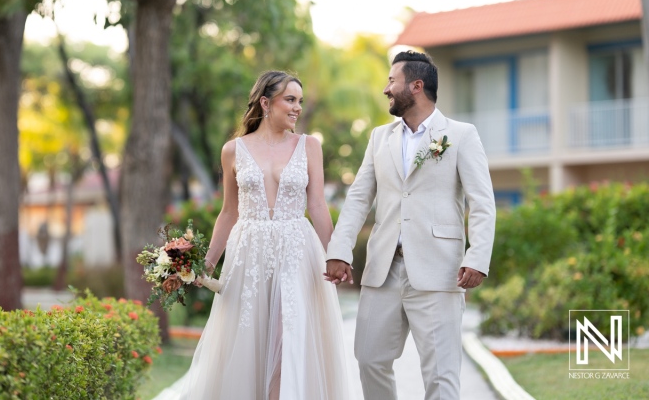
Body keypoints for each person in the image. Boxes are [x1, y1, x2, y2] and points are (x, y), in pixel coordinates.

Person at [324, 50, 496, 400]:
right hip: (383, 269)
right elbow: (358, 198)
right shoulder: (378, 138)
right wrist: (340, 250)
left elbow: (481, 202)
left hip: (440, 269)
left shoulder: (461, 135)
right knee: (370, 360)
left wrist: (477, 257)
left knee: (440, 374)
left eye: (392, 81)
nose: (386, 88)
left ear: (416, 86)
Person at [180, 71, 350, 400]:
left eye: (299, 101)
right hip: (249, 256)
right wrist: (207, 264)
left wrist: (336, 255)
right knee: (249, 343)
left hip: (297, 254)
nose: (297, 108)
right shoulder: (233, 150)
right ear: (265, 103)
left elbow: (317, 206)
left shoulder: (309, 145)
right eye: (290, 100)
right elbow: (229, 212)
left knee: (288, 343)